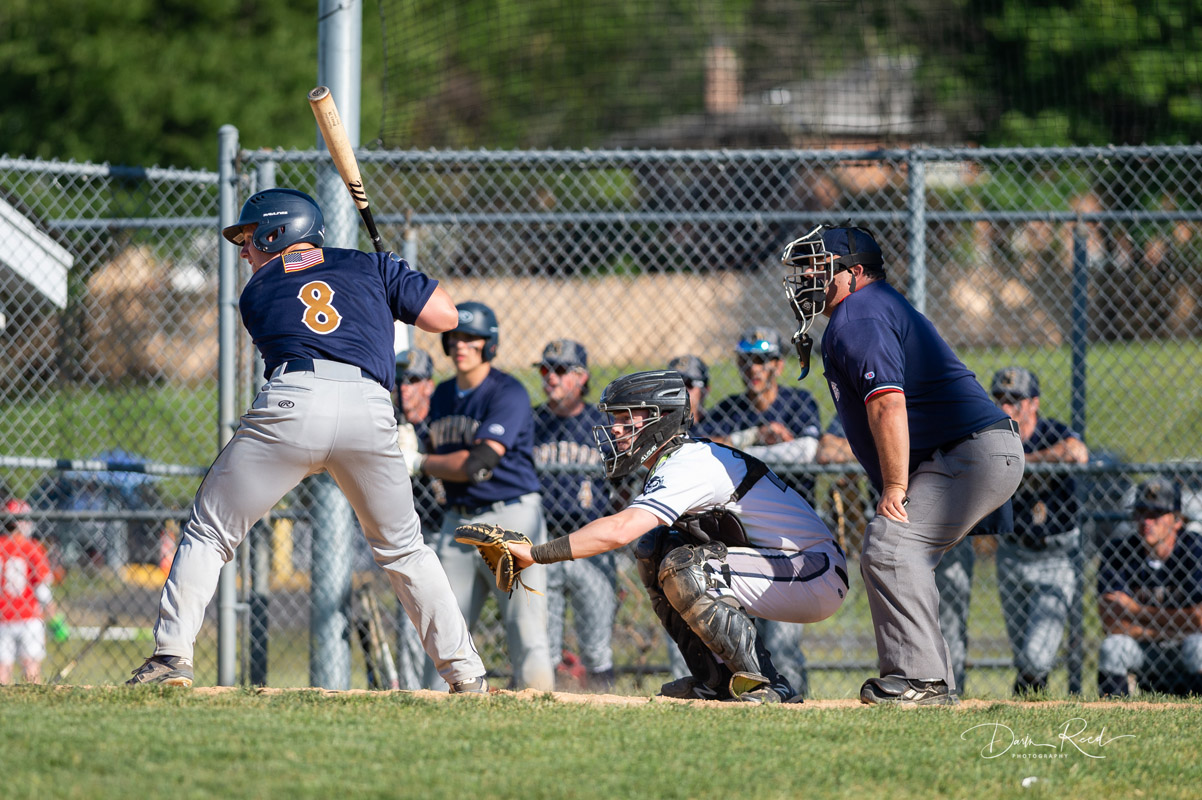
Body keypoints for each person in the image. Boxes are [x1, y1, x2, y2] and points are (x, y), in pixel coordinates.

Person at [127, 188, 487, 692]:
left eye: (251, 239)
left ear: (278, 233)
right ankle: (466, 675)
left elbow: (313, 297)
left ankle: (170, 659)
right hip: (370, 407)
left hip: (292, 403)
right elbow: (445, 318)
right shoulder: (372, 266)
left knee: (210, 532)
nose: (246, 252)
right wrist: (397, 272)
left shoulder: (256, 293)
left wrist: (382, 274)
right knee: (405, 551)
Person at [780, 223, 1023, 706]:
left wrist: (894, 485)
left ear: (854, 273)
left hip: (967, 453)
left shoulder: (859, 315)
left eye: (817, 264)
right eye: (803, 266)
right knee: (900, 551)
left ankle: (920, 681)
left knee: (891, 544)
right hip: (965, 453)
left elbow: (887, 404)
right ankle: (930, 682)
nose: (806, 275)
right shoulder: (863, 312)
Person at [509, 370, 848, 703]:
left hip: (811, 571)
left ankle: (766, 683)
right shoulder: (676, 461)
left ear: (663, 420)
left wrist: (534, 553)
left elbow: (618, 530)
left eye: (626, 417)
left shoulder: (688, 464)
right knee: (654, 548)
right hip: (781, 569)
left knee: (686, 568)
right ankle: (716, 681)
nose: (615, 429)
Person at [411, 301, 554, 691]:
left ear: (488, 345)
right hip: (458, 520)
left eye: (472, 338)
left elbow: (479, 462)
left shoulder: (507, 392)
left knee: (524, 627)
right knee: (443, 628)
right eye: (455, 336)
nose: (462, 344)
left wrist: (420, 460)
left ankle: (539, 710)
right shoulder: (441, 395)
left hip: (510, 519)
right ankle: (434, 710)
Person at [695, 328, 822, 695]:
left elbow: (807, 452)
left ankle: (793, 701)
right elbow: (701, 450)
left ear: (778, 366)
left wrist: (741, 460)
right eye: (747, 360)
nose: (755, 368)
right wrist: (753, 438)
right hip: (739, 537)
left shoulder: (799, 402)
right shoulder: (729, 410)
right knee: (741, 637)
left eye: (763, 360)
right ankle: (752, 698)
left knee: (783, 640)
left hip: (790, 538)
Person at [990, 366, 1088, 696]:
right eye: (999, 399)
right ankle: (1031, 703)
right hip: (1013, 552)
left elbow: (1077, 452)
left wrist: (1024, 463)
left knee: (1036, 657)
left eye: (1014, 400)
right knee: (1024, 658)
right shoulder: (992, 433)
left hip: (1056, 555)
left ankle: (1030, 690)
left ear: (1033, 403)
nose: (1005, 408)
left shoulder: (1051, 431)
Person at [531, 339, 617, 690]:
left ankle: (607, 707)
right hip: (543, 539)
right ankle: (547, 710)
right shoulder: (532, 422)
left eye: (561, 370)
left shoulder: (603, 427)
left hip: (590, 540)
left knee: (597, 647)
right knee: (544, 647)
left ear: (582, 378)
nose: (551, 377)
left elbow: (624, 487)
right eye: (545, 369)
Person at [1096, 476, 1202, 697]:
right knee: (1112, 648)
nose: (1146, 521)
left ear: (1177, 519)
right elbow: (1111, 622)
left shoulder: (1195, 550)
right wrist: (1175, 627)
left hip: (1182, 648)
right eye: (1141, 512)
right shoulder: (1119, 552)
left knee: (1199, 647)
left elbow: (1200, 619)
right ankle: (1114, 720)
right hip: (1143, 649)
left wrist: (1133, 610)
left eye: (1156, 514)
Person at [390, 347, 445, 690]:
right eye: (399, 381)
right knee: (410, 621)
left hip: (444, 529)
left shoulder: (441, 423)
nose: (404, 388)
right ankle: (415, 692)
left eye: (413, 380)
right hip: (407, 536)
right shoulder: (385, 420)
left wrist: (421, 459)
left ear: (429, 385)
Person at [0, 499, 58, 684]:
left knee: (2, 670)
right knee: (32, 669)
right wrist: (54, 616)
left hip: (2, 616)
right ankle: (34, 701)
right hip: (29, 617)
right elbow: (42, 589)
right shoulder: (32, 548)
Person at [667, 355, 710, 428]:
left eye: (688, 384)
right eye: (675, 384)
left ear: (705, 390)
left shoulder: (716, 427)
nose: (681, 390)